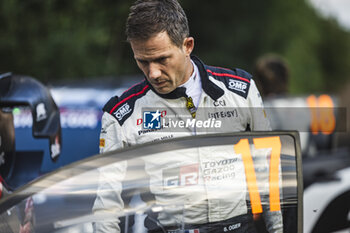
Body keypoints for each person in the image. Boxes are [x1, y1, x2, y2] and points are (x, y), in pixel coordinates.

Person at [93, 0, 283, 232]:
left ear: (187, 46)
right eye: (142, 61)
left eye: (162, 59)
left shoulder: (240, 92)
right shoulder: (121, 116)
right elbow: (107, 204)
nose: (153, 73)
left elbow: (269, 174)